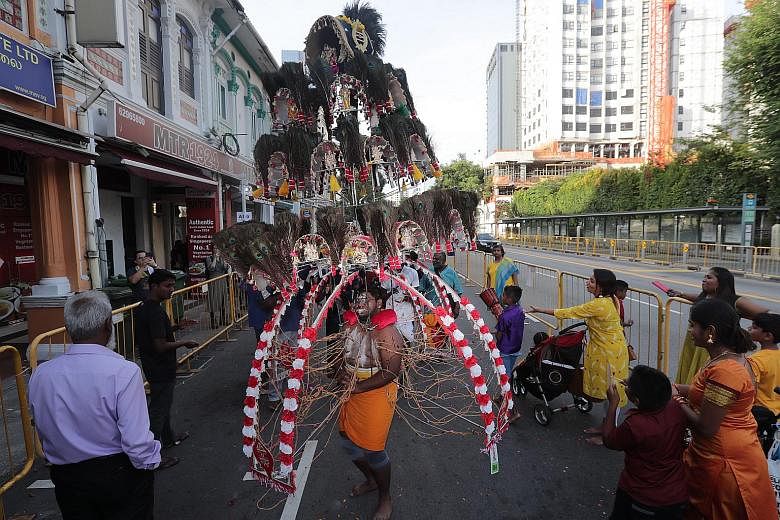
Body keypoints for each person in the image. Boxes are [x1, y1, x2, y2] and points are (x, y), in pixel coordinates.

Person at [29, 291, 160, 518]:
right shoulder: (124, 372)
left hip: (67, 476)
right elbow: (136, 441)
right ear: (108, 326)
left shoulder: (42, 374)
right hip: (117, 473)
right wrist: (151, 461)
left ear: (69, 330)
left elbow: (42, 425)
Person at [672, 298, 775, 519]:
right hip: (718, 451)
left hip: (725, 460)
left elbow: (706, 427)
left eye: (693, 325)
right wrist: (677, 388)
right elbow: (705, 392)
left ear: (710, 331)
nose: (690, 330)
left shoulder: (726, 371)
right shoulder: (723, 359)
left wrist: (676, 400)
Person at [528, 268, 629, 445]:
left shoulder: (599, 304)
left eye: (591, 281)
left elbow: (569, 312)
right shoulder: (612, 299)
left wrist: (539, 309)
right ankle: (606, 426)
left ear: (601, 286)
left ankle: (608, 436)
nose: (587, 282)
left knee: (613, 394)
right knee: (610, 392)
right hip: (614, 350)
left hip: (608, 354)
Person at [337, 282, 402, 520]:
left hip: (376, 394)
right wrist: (338, 376)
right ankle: (371, 480)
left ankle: (385, 498)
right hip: (351, 391)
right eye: (356, 298)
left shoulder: (387, 332)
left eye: (366, 298)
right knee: (346, 439)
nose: (359, 303)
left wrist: (359, 387)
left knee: (374, 450)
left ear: (380, 303)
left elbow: (392, 371)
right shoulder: (350, 324)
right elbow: (339, 356)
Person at [602, 366, 688, 520]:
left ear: (636, 400)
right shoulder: (677, 407)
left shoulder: (636, 425)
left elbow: (609, 440)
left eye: (629, 386)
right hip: (677, 495)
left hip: (642, 499)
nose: (626, 384)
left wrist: (613, 405)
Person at [135, 269, 199, 469]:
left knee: (163, 404)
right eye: (168, 286)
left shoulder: (148, 308)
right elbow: (160, 345)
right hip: (160, 367)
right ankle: (154, 454)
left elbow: (156, 335)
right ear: (154, 286)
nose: (172, 290)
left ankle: (169, 437)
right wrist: (183, 342)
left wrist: (176, 328)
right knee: (158, 409)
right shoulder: (153, 311)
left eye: (173, 285)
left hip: (156, 366)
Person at [665, 266, 768, 384]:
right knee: (689, 368)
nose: (704, 280)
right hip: (695, 340)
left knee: (707, 373)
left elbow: (762, 313)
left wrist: (738, 315)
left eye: (709, 277)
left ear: (721, 282)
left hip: (713, 343)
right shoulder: (704, 296)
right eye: (704, 277)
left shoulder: (734, 300)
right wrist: (681, 294)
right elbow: (697, 298)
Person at [747, 312, 780, 453]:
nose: (749, 329)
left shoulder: (755, 360)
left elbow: (750, 392)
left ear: (767, 336)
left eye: (754, 328)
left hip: (761, 416)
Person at [495, 285, 524, 423]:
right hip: (515, 348)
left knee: (505, 379)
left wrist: (497, 341)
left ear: (509, 298)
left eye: (504, 295)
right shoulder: (519, 310)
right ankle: (502, 398)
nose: (502, 297)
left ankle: (513, 411)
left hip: (505, 349)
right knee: (508, 374)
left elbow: (500, 333)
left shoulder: (504, 315)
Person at [205, 252, 230, 328]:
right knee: (213, 300)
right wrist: (215, 258)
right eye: (215, 249)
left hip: (222, 281)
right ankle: (213, 320)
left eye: (218, 249)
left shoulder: (222, 258)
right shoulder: (209, 258)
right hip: (213, 281)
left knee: (223, 300)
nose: (217, 251)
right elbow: (211, 268)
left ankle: (223, 319)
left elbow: (225, 267)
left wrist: (225, 261)